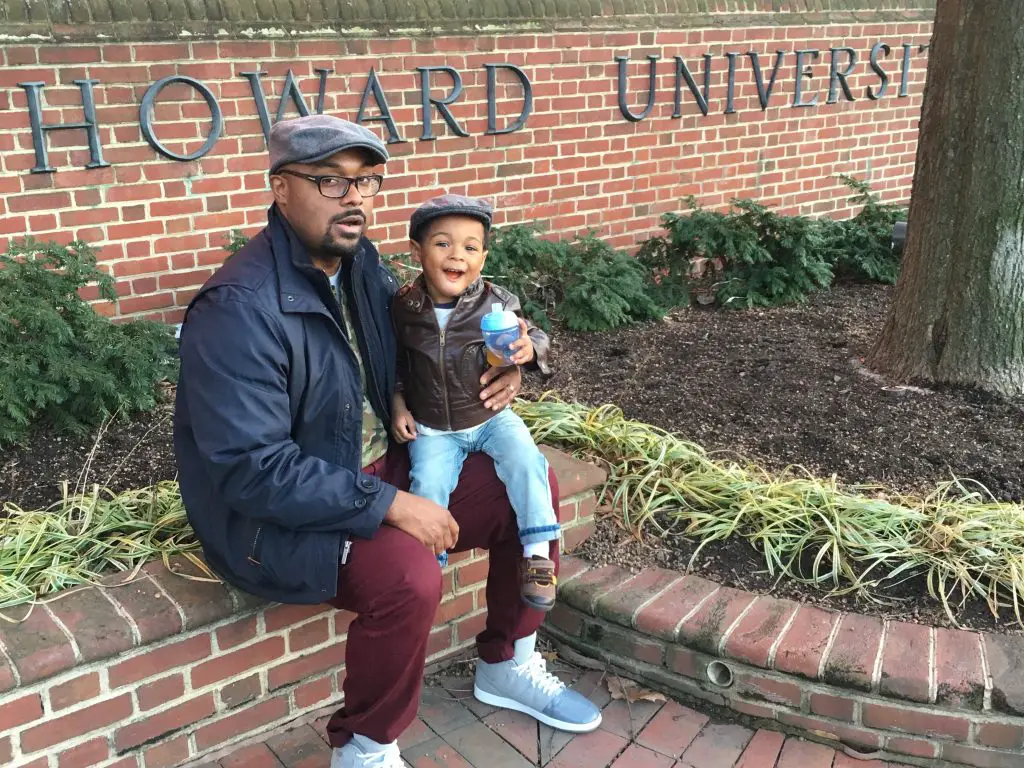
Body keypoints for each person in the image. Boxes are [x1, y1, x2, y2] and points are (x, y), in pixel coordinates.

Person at [173, 114, 602, 768]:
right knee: (407, 576)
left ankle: (507, 661)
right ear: (281, 188)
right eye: (330, 181)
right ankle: (366, 746)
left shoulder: (361, 267)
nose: (354, 200)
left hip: (379, 467)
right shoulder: (239, 308)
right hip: (280, 518)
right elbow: (251, 471)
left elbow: (461, 320)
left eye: (367, 182)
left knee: (529, 483)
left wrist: (517, 357)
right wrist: (394, 507)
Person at [390, 194, 561, 611]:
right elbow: (394, 362)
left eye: (470, 247)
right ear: (417, 252)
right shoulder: (404, 308)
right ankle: (429, 564)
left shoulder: (496, 302)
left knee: (525, 459)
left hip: (489, 416)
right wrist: (397, 403)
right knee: (427, 485)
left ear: (483, 258)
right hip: (434, 428)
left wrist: (526, 352)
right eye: (443, 244)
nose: (457, 256)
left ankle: (538, 554)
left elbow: (534, 336)